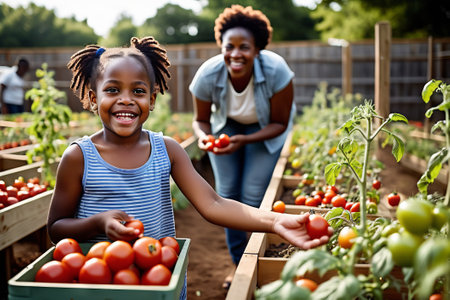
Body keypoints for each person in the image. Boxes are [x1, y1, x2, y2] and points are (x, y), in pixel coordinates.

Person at [47, 36, 331, 298]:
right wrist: (98, 222)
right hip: (98, 283)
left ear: (152, 100)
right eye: (112, 89)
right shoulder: (79, 157)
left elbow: (213, 203)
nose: (126, 99)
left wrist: (275, 221)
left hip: (159, 281)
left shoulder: (166, 149)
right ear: (94, 98)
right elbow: (56, 229)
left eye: (138, 90)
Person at [189, 5, 296, 288]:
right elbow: (200, 120)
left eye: (244, 47)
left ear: (257, 49)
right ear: (221, 47)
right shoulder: (208, 74)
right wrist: (203, 138)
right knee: (226, 193)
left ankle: (254, 257)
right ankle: (238, 265)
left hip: (265, 128)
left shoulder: (277, 71)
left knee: (252, 193)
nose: (236, 54)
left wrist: (245, 141)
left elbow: (280, 123)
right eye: (229, 46)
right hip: (227, 126)